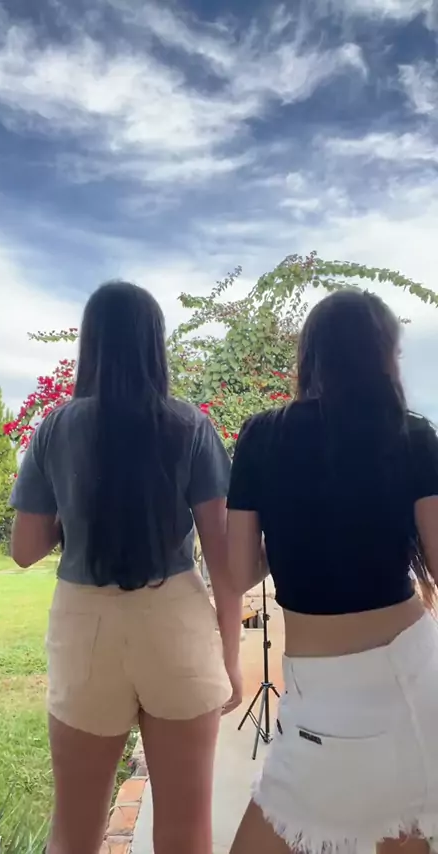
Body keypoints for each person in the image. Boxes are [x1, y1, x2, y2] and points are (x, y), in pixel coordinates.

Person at [9, 281, 243, 854]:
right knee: (186, 832)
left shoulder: (55, 428)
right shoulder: (190, 426)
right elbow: (223, 559)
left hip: (84, 627)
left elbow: (24, 548)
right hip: (176, 624)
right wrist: (231, 660)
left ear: (90, 344)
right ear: (154, 345)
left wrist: (75, 512)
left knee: (75, 832)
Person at [226, 290, 438, 854]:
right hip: (409, 673)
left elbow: (238, 572)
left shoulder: (262, 435)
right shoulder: (413, 435)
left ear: (311, 356)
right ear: (383, 355)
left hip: (320, 691)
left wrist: (289, 539)